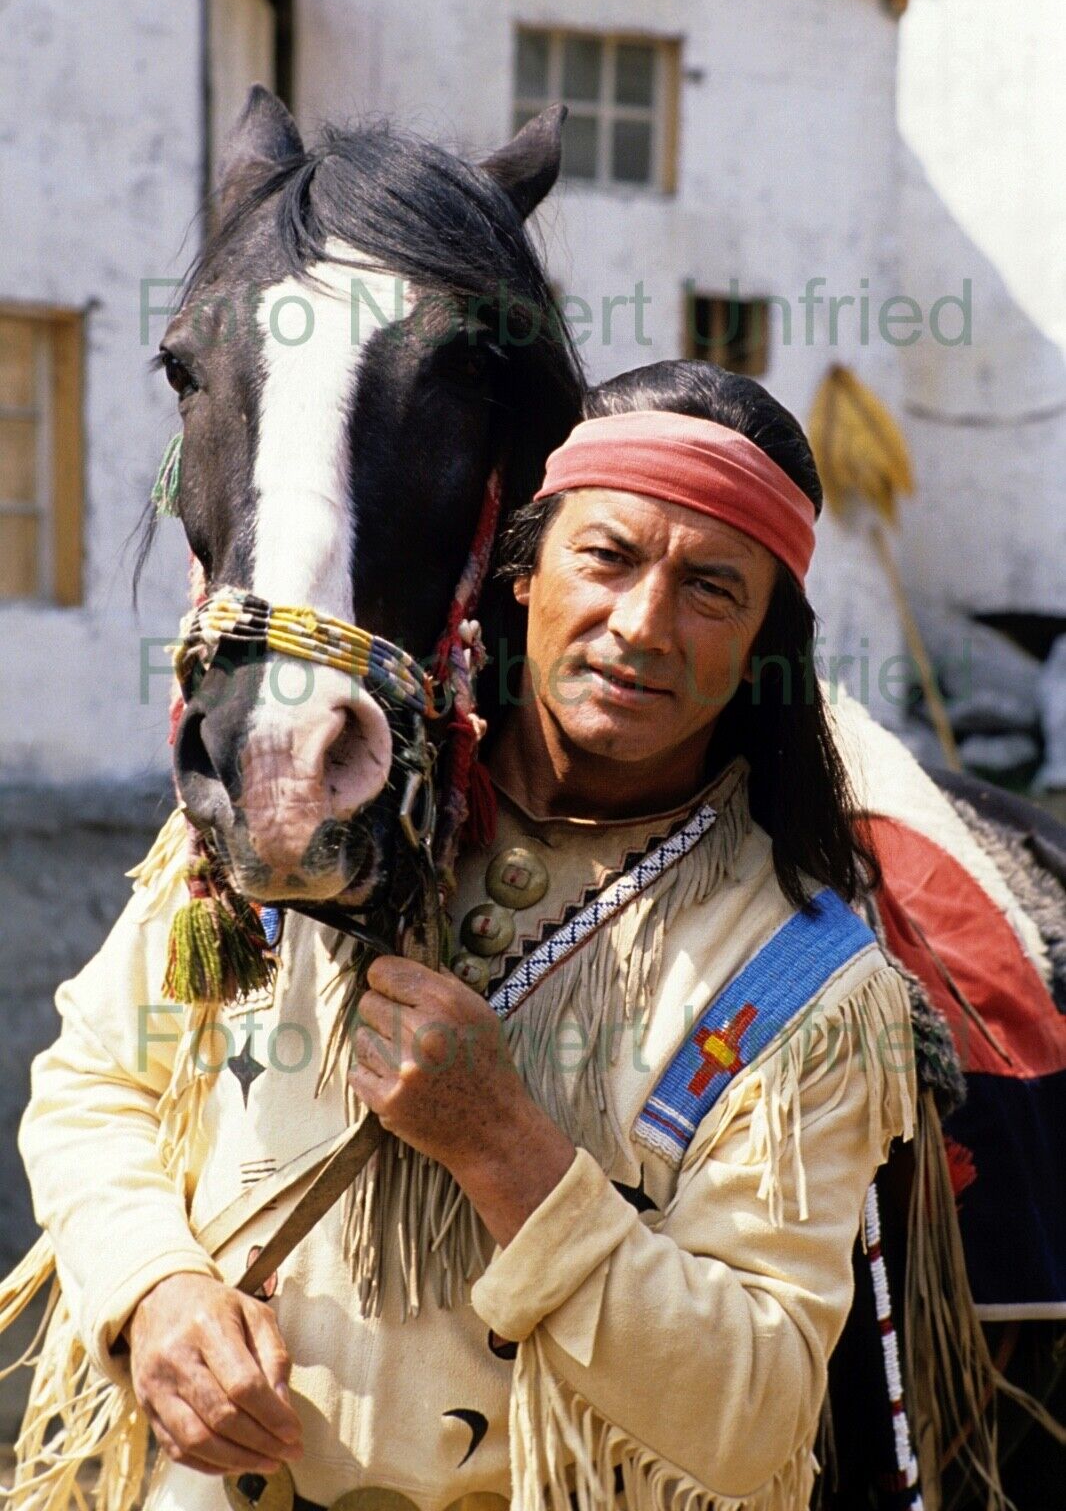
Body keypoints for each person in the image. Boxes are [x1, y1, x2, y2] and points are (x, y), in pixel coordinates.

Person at [13, 361, 916, 1511]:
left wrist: (505, 1148)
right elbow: (94, 1079)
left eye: (711, 589)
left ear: (761, 645)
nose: (641, 625)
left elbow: (754, 1416)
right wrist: (152, 1288)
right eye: (609, 556)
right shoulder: (321, 803)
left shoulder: (804, 980)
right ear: (524, 569)